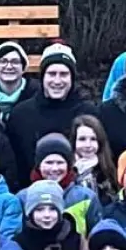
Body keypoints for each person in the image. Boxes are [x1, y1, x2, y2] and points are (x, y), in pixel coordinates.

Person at [8, 43, 96, 186]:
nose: (57, 81)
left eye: (64, 74)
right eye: (51, 74)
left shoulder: (88, 113)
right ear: (42, 77)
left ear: (72, 78)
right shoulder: (21, 115)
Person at [30, 133, 102, 236]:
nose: (54, 168)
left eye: (60, 163)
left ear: (68, 166)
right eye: (49, 163)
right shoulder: (24, 197)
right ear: (39, 166)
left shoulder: (85, 197)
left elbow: (96, 236)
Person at [0, 42, 40, 127]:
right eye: (3, 61)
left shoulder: (38, 94)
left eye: (15, 62)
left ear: (23, 68)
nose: (9, 66)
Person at [71, 115, 119, 204]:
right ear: (74, 141)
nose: (88, 145)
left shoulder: (107, 172)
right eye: (82, 139)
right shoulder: (65, 171)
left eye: (93, 139)